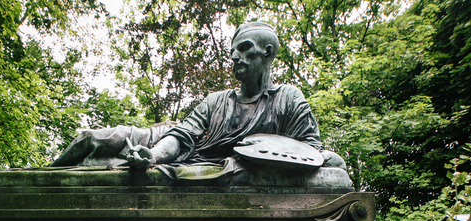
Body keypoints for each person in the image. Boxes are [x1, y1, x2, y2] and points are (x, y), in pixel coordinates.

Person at [51, 21, 345, 172]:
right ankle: (38, 175)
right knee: (93, 138)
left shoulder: (289, 99)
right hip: (166, 142)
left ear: (267, 53)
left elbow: (312, 154)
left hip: (198, 161)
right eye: (232, 52)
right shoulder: (216, 100)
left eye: (244, 48)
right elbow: (181, 136)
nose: (234, 57)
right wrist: (153, 155)